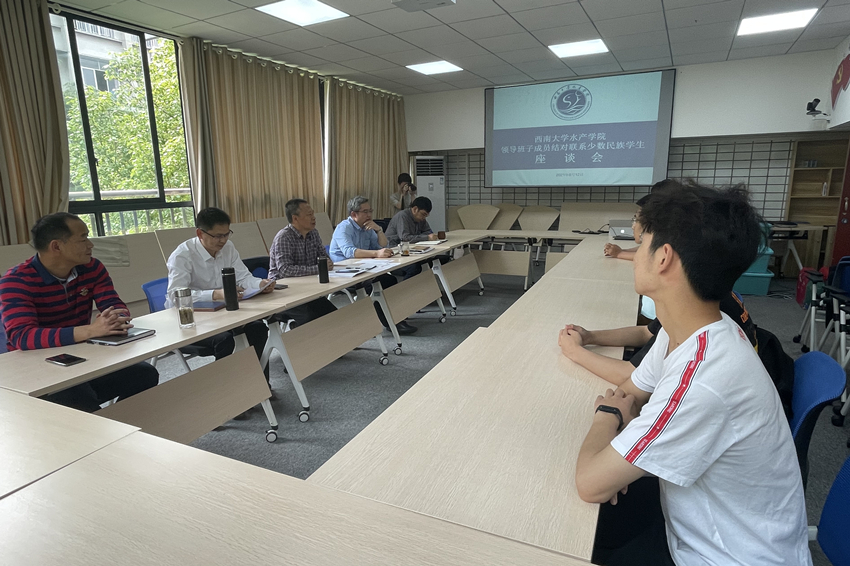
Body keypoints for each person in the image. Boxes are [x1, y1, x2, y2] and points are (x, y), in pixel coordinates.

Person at [574, 183, 810, 565]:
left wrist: (608, 417)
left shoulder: (703, 377)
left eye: (642, 241)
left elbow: (590, 482)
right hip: (692, 521)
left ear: (663, 258)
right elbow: (631, 392)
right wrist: (622, 433)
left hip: (722, 555)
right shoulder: (691, 330)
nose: (634, 254)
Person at [0, 212, 159, 412]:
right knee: (79, 399)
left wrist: (116, 318)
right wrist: (90, 331)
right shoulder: (16, 281)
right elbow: (22, 337)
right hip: (37, 370)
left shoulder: (91, 268)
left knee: (144, 374)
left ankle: (124, 424)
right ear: (56, 246)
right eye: (83, 239)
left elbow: (113, 303)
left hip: (80, 356)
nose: (90, 245)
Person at [165, 207, 273, 381]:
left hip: (223, 313)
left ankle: (259, 386)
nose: (223, 240)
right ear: (200, 233)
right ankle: (225, 390)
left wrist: (260, 284)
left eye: (226, 234)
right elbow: (176, 295)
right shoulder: (182, 255)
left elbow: (243, 276)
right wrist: (215, 294)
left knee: (258, 329)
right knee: (225, 340)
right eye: (217, 236)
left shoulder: (228, 247)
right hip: (190, 320)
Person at [329, 196, 417, 335]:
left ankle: (395, 317)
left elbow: (380, 246)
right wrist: (377, 253)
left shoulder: (368, 227)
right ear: (354, 214)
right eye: (365, 211)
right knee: (380, 284)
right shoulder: (344, 227)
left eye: (370, 211)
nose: (369, 215)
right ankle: (392, 322)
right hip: (345, 273)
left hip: (364, 269)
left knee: (390, 280)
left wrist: (379, 230)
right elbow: (349, 252)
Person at [267, 198, 337, 327]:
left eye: (313, 213)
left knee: (332, 314)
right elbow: (285, 270)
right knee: (309, 318)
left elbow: (325, 259)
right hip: (283, 292)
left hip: (307, 288)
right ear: (295, 218)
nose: (313, 218)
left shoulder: (313, 233)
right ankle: (297, 334)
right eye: (309, 214)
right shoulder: (284, 237)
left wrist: (327, 264)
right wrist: (319, 268)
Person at [385, 196, 440, 280]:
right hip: (395, 252)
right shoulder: (403, 216)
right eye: (423, 214)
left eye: (426, 216)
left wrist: (425, 236)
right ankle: (404, 287)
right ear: (415, 209)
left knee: (433, 260)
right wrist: (426, 238)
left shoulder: (421, 219)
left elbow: (428, 232)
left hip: (411, 250)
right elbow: (405, 238)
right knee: (414, 268)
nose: (424, 218)